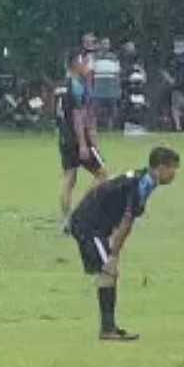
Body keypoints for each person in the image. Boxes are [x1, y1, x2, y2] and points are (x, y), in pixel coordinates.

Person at [68, 146, 181, 341]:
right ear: (161, 168)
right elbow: (127, 221)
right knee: (108, 270)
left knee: (109, 272)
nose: (174, 174)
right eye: (173, 168)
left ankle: (109, 327)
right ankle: (107, 329)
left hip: (96, 224)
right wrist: (113, 254)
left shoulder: (142, 179)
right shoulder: (143, 184)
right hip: (88, 224)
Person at [56, 51, 108, 233]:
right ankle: (80, 214)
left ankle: (66, 220)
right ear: (75, 64)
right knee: (102, 174)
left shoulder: (60, 86)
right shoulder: (77, 86)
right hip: (78, 138)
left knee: (69, 179)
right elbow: (78, 117)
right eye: (83, 62)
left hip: (64, 138)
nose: (86, 66)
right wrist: (84, 144)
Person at [92, 38, 122, 130]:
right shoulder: (95, 57)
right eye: (104, 44)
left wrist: (118, 87)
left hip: (111, 87)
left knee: (112, 109)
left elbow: (117, 73)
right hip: (98, 87)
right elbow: (91, 72)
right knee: (96, 109)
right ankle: (95, 127)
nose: (105, 46)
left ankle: (110, 127)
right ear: (100, 45)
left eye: (107, 44)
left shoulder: (114, 57)